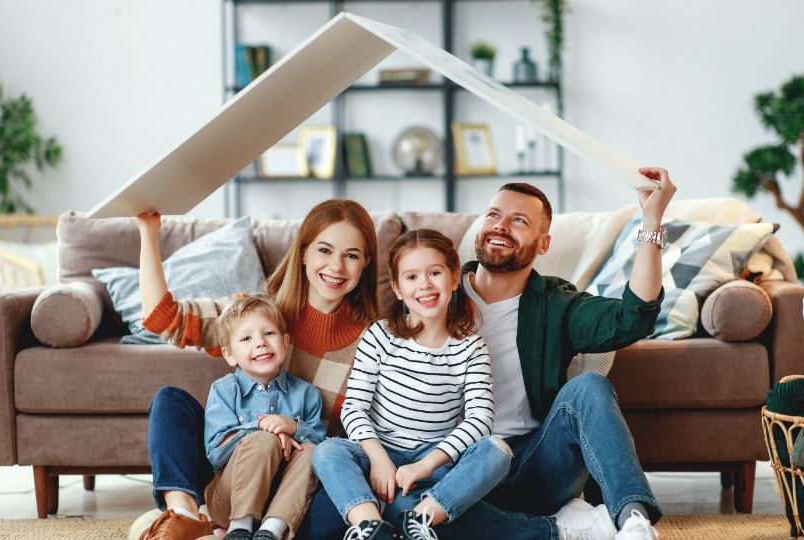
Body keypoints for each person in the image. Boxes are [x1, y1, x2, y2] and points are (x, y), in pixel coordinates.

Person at [429, 168, 677, 540]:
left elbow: (632, 319)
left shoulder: (555, 303)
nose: (500, 226)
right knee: (414, 519)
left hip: (536, 468)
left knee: (589, 387)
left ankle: (632, 522)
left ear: (543, 244)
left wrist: (651, 219)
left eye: (519, 221)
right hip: (457, 475)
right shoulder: (434, 297)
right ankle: (567, 528)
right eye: (494, 215)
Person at [131, 199, 379, 540]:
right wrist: (148, 232)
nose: (336, 266)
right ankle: (185, 517)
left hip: (302, 482)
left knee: (344, 510)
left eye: (351, 255)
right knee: (170, 402)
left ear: (366, 262)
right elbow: (163, 318)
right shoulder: (257, 318)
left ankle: (256, 530)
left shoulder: (375, 341)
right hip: (236, 471)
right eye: (324, 250)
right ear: (303, 252)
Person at [312, 229, 513, 540]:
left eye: (435, 272)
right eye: (412, 277)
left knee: (497, 451)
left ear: (454, 278)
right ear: (398, 288)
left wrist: (425, 466)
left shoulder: (471, 347)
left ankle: (417, 520)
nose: (425, 285)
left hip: (435, 465)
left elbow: (480, 418)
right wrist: (378, 460)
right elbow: (354, 408)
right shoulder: (379, 336)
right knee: (327, 451)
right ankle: (370, 527)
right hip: (377, 456)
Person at [202, 294, 326, 540]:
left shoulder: (307, 393)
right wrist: (259, 427)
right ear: (230, 355)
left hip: (282, 499)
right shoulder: (225, 390)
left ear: (285, 341)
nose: (260, 343)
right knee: (264, 439)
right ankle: (240, 528)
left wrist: (293, 427)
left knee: (312, 451)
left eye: (268, 333)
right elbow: (215, 452)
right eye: (246, 338)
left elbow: (322, 444)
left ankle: (271, 531)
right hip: (228, 499)